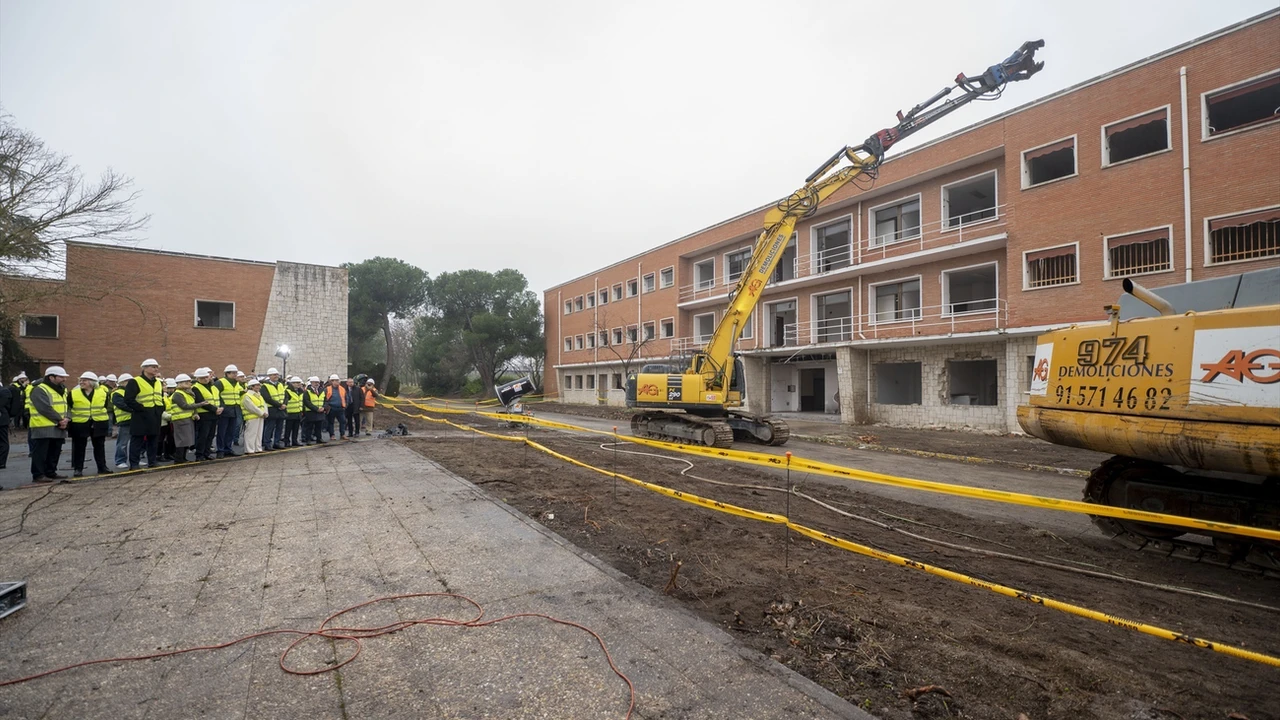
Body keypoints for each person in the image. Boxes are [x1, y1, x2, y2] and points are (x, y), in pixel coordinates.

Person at [29, 366, 71, 483]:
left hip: (59, 426)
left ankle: (50, 472)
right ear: (51, 377)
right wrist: (60, 420)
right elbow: (44, 408)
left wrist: (67, 418)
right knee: (41, 452)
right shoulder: (39, 389)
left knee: (55, 451)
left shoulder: (62, 389)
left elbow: (66, 405)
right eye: (61, 377)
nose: (64, 379)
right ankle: (38, 474)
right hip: (43, 426)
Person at [68, 371, 112, 477]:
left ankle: (102, 467)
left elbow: (105, 406)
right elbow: (69, 407)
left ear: (92, 382)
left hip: (99, 422)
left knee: (99, 446)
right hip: (80, 423)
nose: (81, 382)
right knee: (79, 447)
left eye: (84, 380)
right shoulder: (73, 393)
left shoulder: (102, 393)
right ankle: (78, 469)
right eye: (81, 380)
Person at [124, 359, 165, 471]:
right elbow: (128, 399)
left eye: (157, 367)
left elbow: (160, 397)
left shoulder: (158, 382)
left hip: (155, 414)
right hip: (141, 415)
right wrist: (140, 408)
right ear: (144, 368)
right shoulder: (135, 381)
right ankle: (134, 464)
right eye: (153, 367)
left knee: (153, 439)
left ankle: (152, 462)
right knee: (137, 440)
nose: (156, 369)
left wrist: (161, 409)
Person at [190, 368, 221, 461]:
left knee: (210, 435)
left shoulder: (213, 387)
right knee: (203, 436)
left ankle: (207, 453)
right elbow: (200, 401)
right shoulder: (195, 388)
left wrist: (220, 408)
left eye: (206, 377)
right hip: (204, 415)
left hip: (214, 414)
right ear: (198, 378)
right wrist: (215, 409)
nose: (205, 379)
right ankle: (199, 455)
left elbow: (218, 398)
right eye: (202, 377)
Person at [168, 374, 198, 463]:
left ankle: (183, 458)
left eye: (189, 382)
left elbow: (191, 404)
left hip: (187, 418)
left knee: (187, 440)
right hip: (180, 419)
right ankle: (179, 458)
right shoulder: (178, 394)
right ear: (180, 384)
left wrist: (195, 413)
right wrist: (201, 404)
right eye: (187, 382)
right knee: (181, 440)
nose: (189, 383)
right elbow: (184, 406)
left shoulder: (187, 393)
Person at [215, 364, 243, 459]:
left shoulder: (236, 383)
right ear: (227, 373)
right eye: (233, 373)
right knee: (222, 431)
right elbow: (216, 395)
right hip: (225, 410)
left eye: (236, 373)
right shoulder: (220, 382)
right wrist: (221, 405)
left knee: (230, 431)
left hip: (235, 409)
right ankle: (220, 450)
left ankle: (228, 448)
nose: (235, 374)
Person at [260, 368, 286, 451]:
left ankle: (276, 443)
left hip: (281, 409)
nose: (276, 376)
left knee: (279, 427)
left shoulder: (280, 384)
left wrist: (284, 404)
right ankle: (267, 443)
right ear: (269, 376)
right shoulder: (265, 386)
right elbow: (267, 398)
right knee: (269, 427)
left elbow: (285, 396)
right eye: (274, 374)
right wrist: (279, 405)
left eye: (277, 374)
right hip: (272, 409)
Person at [112, 373, 134, 468]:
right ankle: (120, 460)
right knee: (123, 443)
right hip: (125, 420)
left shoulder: (132, 392)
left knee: (135, 442)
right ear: (123, 382)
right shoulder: (117, 393)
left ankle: (134, 460)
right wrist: (136, 409)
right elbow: (122, 405)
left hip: (134, 419)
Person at [241, 379, 268, 454]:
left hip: (260, 416)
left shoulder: (259, 395)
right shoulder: (247, 396)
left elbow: (264, 404)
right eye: (257, 385)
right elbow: (251, 407)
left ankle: (257, 448)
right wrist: (262, 413)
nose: (259, 387)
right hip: (251, 417)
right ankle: (249, 449)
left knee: (259, 434)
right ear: (251, 387)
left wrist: (265, 412)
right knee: (251, 434)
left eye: (259, 385)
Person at [302, 376, 326, 445]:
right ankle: (308, 439)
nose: (317, 384)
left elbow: (325, 400)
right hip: (311, 412)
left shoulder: (322, 391)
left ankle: (319, 438)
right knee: (309, 427)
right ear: (311, 383)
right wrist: (316, 409)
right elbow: (307, 402)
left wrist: (323, 407)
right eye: (315, 382)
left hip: (320, 411)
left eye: (318, 382)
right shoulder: (307, 391)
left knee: (319, 426)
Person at [324, 374, 348, 439]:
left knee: (343, 421)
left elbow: (346, 398)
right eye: (336, 380)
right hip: (331, 408)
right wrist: (326, 407)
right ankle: (332, 435)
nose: (337, 382)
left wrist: (345, 405)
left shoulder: (342, 389)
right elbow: (324, 399)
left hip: (340, 408)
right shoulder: (327, 389)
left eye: (338, 380)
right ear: (332, 381)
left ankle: (342, 434)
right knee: (331, 422)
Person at [284, 376, 304, 447]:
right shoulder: (288, 391)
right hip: (290, 412)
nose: (299, 384)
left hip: (298, 412)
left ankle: (295, 441)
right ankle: (287, 442)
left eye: (299, 383)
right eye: (297, 383)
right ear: (292, 383)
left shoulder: (300, 391)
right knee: (288, 429)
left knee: (296, 428)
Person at [161, 378, 178, 461]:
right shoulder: (163, 397)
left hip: (169, 420)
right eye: (169, 388)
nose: (171, 390)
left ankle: (169, 453)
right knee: (162, 439)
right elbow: (162, 410)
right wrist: (170, 416)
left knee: (170, 438)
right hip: (164, 420)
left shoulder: (167, 397)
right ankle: (161, 454)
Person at [0, 380, 12, 470]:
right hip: (3, 419)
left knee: (3, 441)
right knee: (3, 441)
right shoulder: (5, 392)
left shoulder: (4, 392)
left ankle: (2, 462)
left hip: (2, 420)